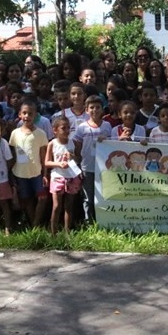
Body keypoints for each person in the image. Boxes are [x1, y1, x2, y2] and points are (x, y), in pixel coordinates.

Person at [73, 95, 113, 223]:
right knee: (88, 197)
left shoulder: (107, 126)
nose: (94, 110)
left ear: (102, 109)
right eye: (91, 107)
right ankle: (89, 221)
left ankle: (103, 220)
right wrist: (78, 162)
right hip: (87, 166)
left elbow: (112, 144)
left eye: (98, 107)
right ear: (86, 110)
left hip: (103, 167)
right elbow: (77, 147)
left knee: (103, 195)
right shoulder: (82, 127)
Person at [10, 100, 49, 228]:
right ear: (20, 114)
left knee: (42, 198)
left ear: (35, 115)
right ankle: (33, 225)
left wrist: (45, 174)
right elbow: (13, 155)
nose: (27, 116)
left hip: (37, 172)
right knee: (27, 199)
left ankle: (37, 223)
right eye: (24, 113)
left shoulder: (41, 134)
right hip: (20, 172)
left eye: (30, 113)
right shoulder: (15, 133)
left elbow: (44, 156)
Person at [44, 116, 81, 234]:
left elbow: (79, 158)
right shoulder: (52, 144)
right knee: (56, 206)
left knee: (69, 206)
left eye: (68, 128)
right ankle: (53, 233)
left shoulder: (73, 143)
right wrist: (59, 164)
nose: (66, 130)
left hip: (72, 177)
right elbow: (47, 162)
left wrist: (73, 157)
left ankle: (67, 232)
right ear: (55, 130)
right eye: (63, 128)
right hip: (57, 177)